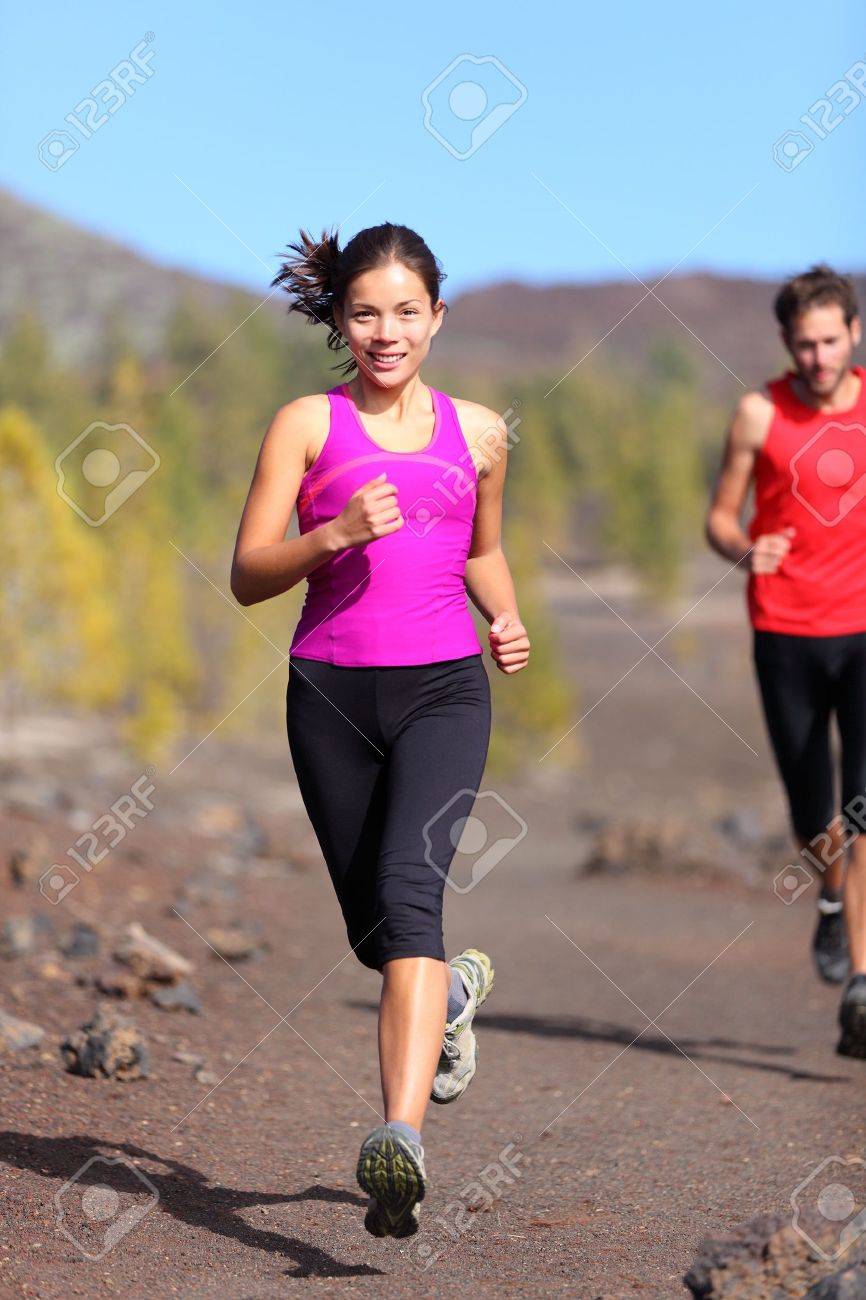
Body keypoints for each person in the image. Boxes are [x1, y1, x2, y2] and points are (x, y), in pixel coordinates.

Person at [230, 222, 530, 1234]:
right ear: (339, 320)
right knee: (375, 931)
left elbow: (478, 550)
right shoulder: (304, 425)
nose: (386, 330)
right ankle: (447, 996)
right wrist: (331, 535)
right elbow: (245, 575)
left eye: (406, 311)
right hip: (328, 694)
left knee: (410, 900)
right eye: (366, 312)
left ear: (436, 318)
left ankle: (396, 1138)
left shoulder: (480, 432)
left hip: (443, 689)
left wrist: (507, 612)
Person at [705, 263, 866, 1059]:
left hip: (864, 629)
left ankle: (863, 985)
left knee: (865, 805)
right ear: (785, 344)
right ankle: (830, 897)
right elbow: (718, 519)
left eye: (831, 340)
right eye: (804, 344)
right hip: (786, 628)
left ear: (854, 334)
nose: (818, 356)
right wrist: (745, 548)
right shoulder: (759, 413)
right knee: (816, 809)